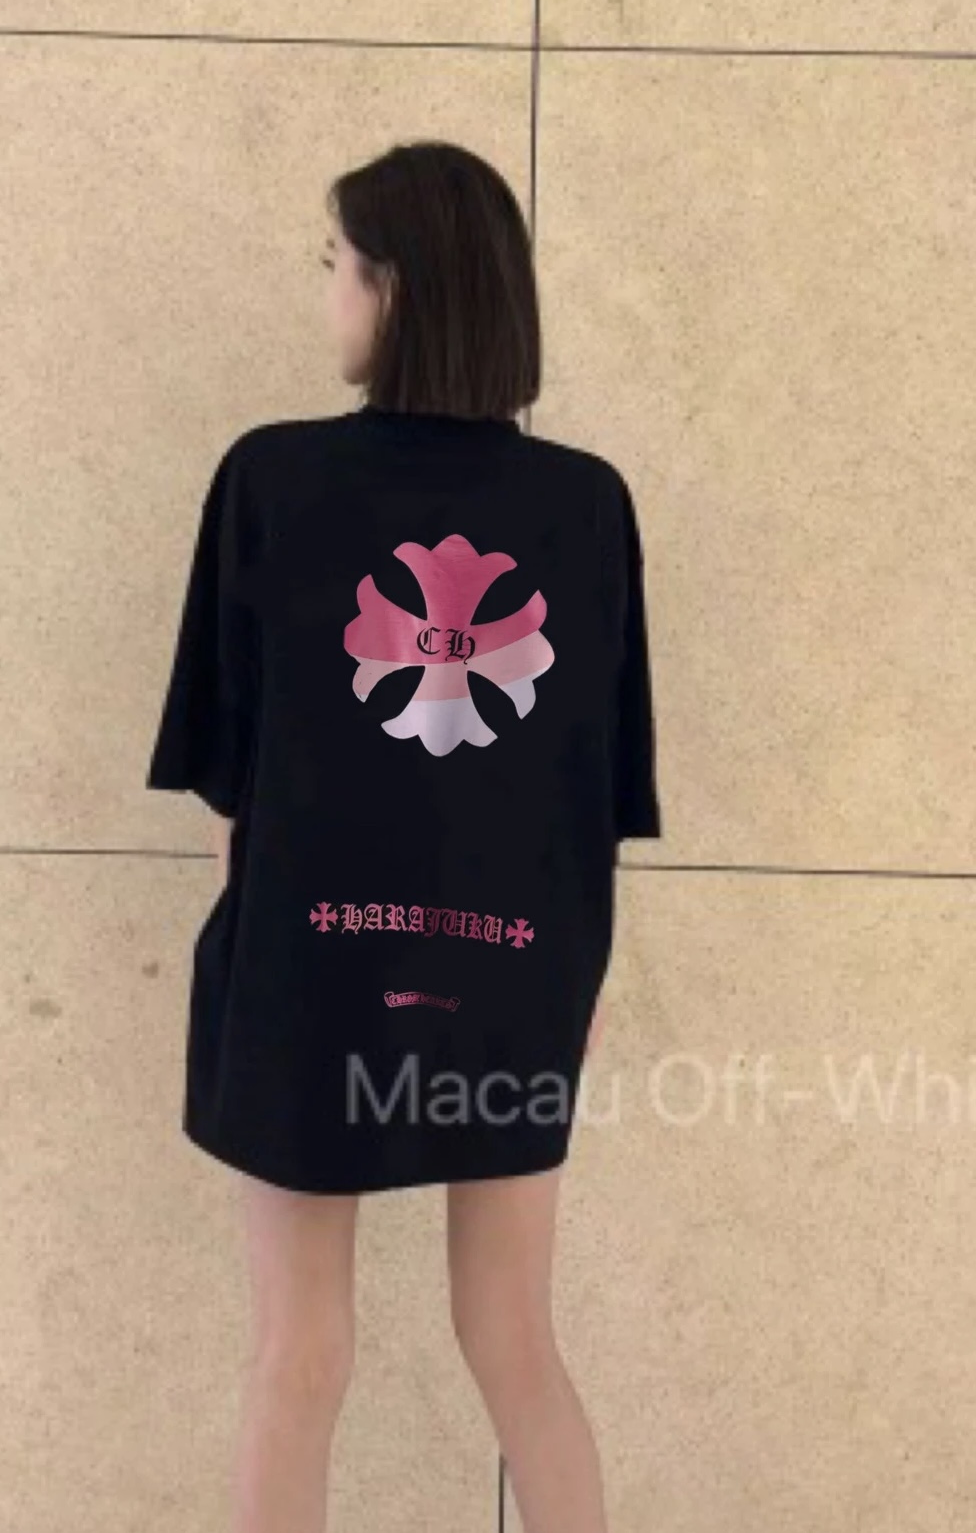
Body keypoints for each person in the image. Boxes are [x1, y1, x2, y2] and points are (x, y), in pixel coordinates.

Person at [145, 139, 662, 1533]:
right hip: (515, 969)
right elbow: (600, 791)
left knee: (295, 1353)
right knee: (515, 1338)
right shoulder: (587, 506)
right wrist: (570, 989)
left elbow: (229, 777)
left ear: (394, 286)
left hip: (304, 967)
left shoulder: (270, 478)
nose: (327, 293)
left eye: (337, 264)